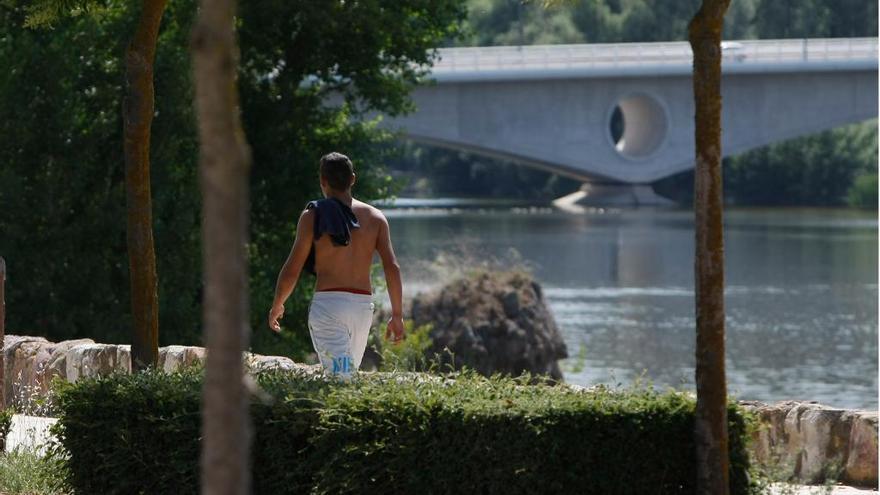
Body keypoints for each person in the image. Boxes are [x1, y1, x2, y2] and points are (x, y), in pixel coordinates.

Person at [268, 152, 405, 377]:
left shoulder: (312, 216)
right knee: (345, 379)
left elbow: (293, 267)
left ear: (323, 182)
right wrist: (397, 314)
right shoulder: (376, 218)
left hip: (329, 308)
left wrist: (278, 304)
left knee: (342, 380)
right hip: (362, 309)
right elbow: (392, 268)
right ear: (352, 179)